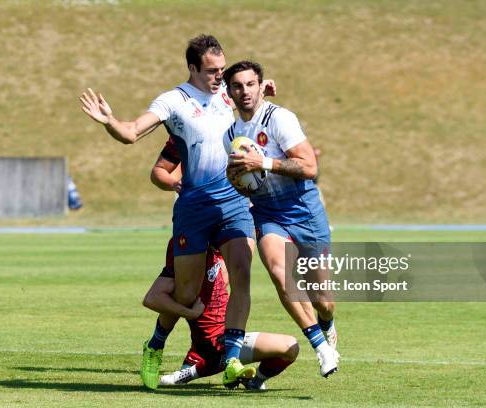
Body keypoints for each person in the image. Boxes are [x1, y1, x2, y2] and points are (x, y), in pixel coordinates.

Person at [80, 35, 276, 389]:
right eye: (213, 71)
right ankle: (155, 344)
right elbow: (130, 134)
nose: (221, 77)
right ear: (192, 68)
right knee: (185, 293)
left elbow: (250, 100)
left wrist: (263, 90)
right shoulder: (173, 101)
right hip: (194, 207)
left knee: (243, 271)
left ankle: (231, 357)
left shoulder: (225, 93)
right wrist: (109, 120)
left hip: (233, 201)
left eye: (223, 70)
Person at [223, 61, 340, 377]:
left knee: (324, 301)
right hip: (268, 213)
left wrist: (264, 163)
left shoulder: (280, 119)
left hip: (304, 209)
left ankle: (327, 325)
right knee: (279, 271)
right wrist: (237, 177)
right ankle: (321, 347)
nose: (244, 91)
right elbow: (242, 181)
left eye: (250, 84)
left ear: (261, 86)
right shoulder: (231, 134)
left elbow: (309, 167)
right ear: (229, 91)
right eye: (237, 86)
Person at [143, 239, 299, 390]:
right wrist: (190, 313)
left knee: (290, 349)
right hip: (215, 341)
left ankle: (252, 381)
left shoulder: (220, 246)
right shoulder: (188, 246)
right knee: (289, 346)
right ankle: (188, 372)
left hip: (220, 338)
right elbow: (153, 298)